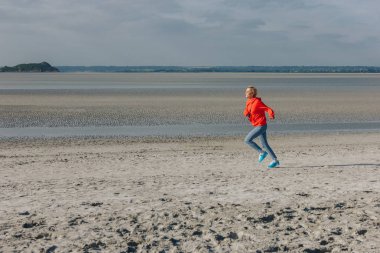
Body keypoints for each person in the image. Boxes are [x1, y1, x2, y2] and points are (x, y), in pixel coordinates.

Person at [243, 86, 279, 168]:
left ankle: (262, 152)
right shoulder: (249, 101)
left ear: (252, 93)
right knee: (265, 144)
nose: (245, 93)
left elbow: (268, 109)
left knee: (247, 140)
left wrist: (271, 115)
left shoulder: (257, 102)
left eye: (247, 91)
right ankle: (275, 160)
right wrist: (246, 113)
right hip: (258, 125)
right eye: (245, 91)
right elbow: (247, 109)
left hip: (261, 125)